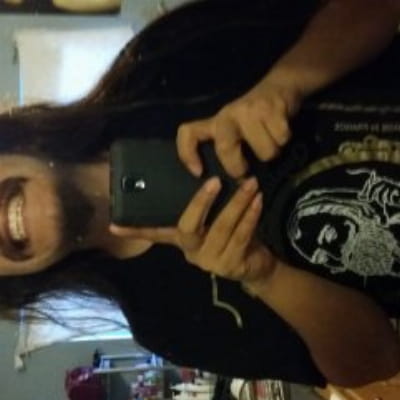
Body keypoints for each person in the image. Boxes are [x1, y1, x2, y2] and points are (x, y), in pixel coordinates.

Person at [0, 0, 400, 389]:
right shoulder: (163, 324)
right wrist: (266, 277)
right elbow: (376, 360)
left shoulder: (157, 65)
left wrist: (285, 83)